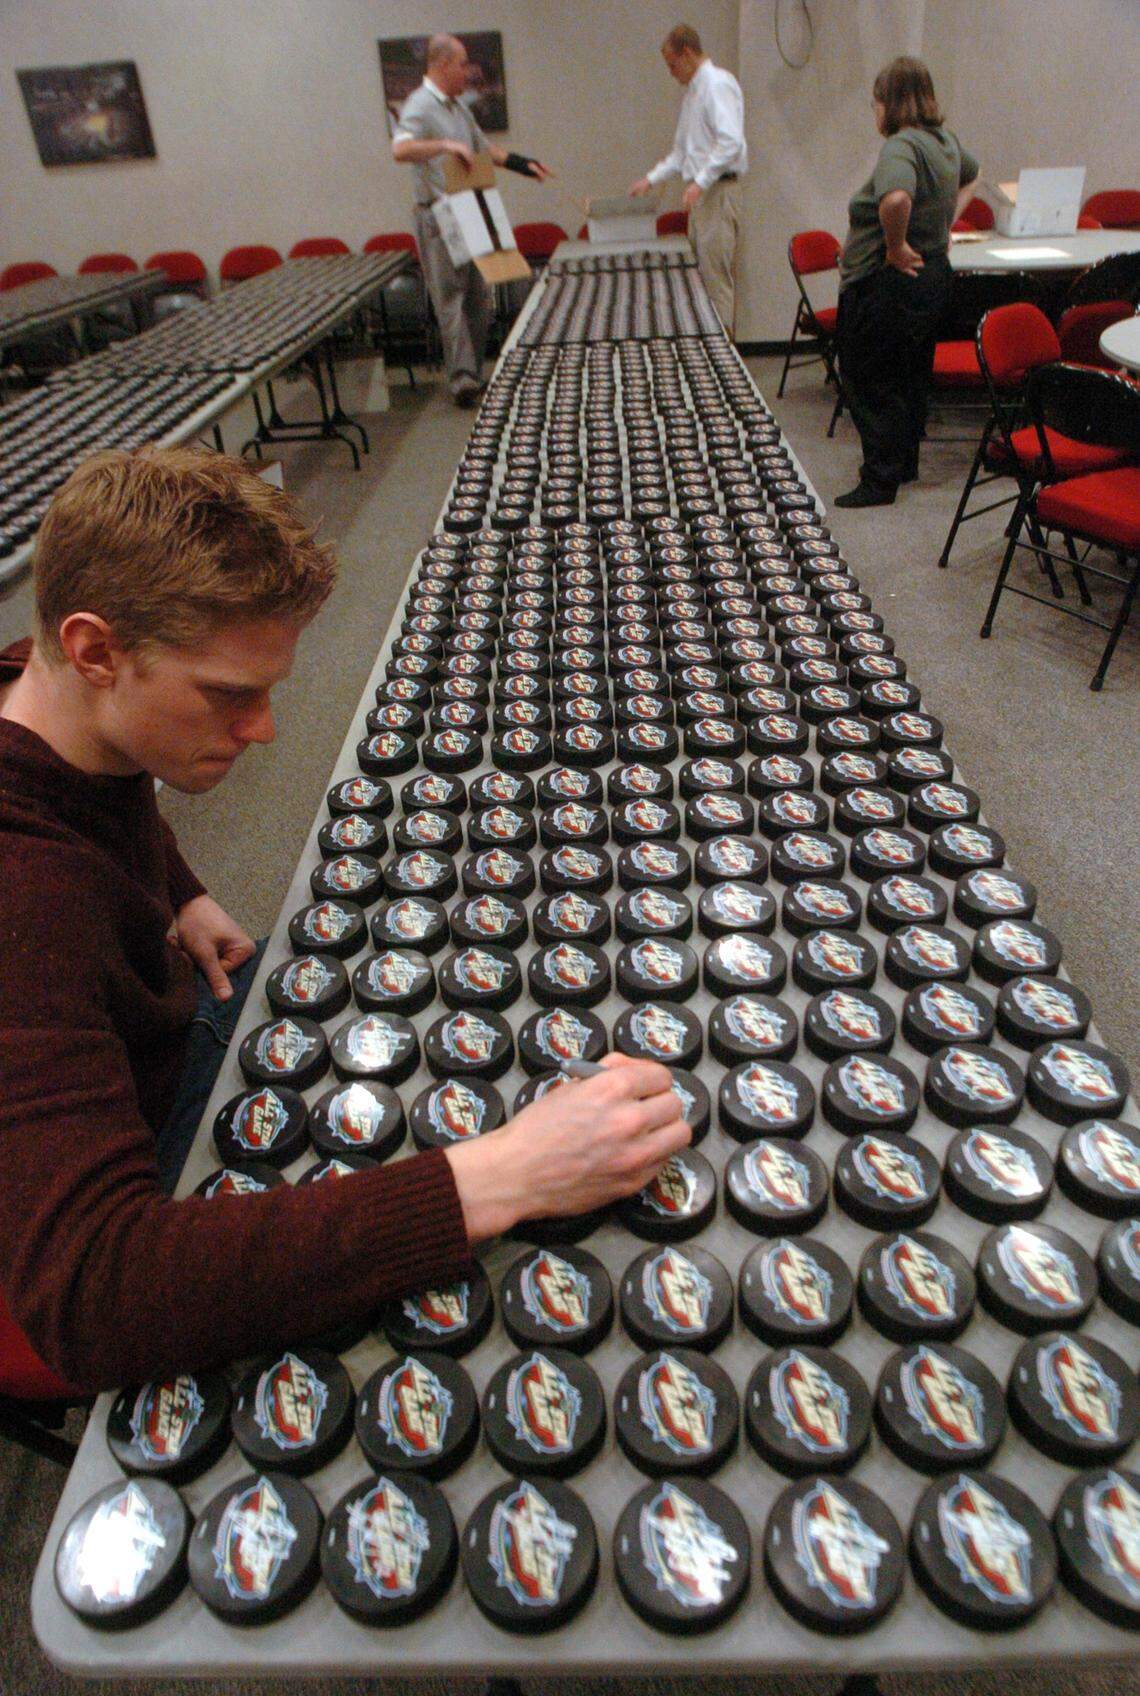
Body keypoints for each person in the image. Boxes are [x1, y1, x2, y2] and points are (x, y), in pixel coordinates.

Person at [0, 446, 689, 1396]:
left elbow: (89, 787)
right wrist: (501, 1176)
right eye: (229, 694)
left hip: (147, 1030)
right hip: (89, 1210)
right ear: (94, 650)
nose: (268, 730)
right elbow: (96, 1296)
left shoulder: (34, 690)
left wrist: (178, 886)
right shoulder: (22, 903)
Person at [834, 57, 979, 508]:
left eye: (875, 103)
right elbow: (972, 175)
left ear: (890, 104)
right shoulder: (945, 141)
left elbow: (896, 197)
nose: (874, 113)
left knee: (868, 376)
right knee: (910, 374)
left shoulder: (900, 146)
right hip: (932, 276)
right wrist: (944, 224)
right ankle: (904, 462)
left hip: (887, 281)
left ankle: (879, 479)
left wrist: (896, 244)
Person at [391, 34, 554, 406]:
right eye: (463, 64)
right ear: (442, 64)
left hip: (468, 208)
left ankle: (474, 373)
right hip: (438, 216)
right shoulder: (419, 104)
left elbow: (486, 149)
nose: (468, 71)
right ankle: (463, 382)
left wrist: (524, 165)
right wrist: (444, 146)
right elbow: (400, 149)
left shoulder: (457, 108)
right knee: (451, 299)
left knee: (480, 298)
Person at [630, 23, 747, 337]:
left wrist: (701, 182)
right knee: (702, 280)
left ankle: (725, 355)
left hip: (718, 191)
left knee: (716, 280)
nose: (671, 73)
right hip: (703, 195)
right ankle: (711, 348)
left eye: (672, 64)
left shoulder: (717, 84)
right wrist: (650, 180)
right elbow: (682, 155)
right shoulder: (692, 96)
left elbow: (730, 142)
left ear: (687, 53)